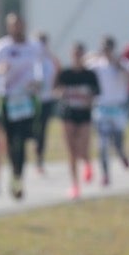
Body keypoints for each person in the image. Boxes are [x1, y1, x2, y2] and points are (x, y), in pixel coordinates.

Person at [0, 12, 46, 199]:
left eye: (19, 24)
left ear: (24, 25)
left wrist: (37, 82)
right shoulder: (1, 47)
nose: (16, 28)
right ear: (8, 27)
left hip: (24, 101)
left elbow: (41, 69)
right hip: (4, 101)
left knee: (19, 142)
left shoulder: (34, 47)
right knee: (2, 141)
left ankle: (17, 178)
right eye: (13, 25)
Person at [54, 41, 99, 199]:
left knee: (82, 148)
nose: (77, 57)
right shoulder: (65, 74)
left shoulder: (90, 75)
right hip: (68, 113)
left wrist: (89, 100)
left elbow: (96, 93)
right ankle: (75, 185)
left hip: (84, 115)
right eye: (75, 54)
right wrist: (62, 93)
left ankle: (87, 163)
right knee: (71, 151)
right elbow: (55, 90)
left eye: (80, 54)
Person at [88, 35, 129, 186]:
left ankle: (122, 154)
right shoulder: (96, 64)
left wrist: (118, 64)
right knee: (102, 143)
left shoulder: (122, 64)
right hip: (102, 108)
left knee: (117, 141)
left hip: (118, 108)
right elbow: (84, 67)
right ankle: (105, 175)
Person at [32, 31, 61, 176]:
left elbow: (58, 77)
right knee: (31, 130)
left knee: (42, 131)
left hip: (46, 100)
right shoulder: (30, 59)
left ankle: (39, 160)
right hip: (31, 101)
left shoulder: (51, 61)